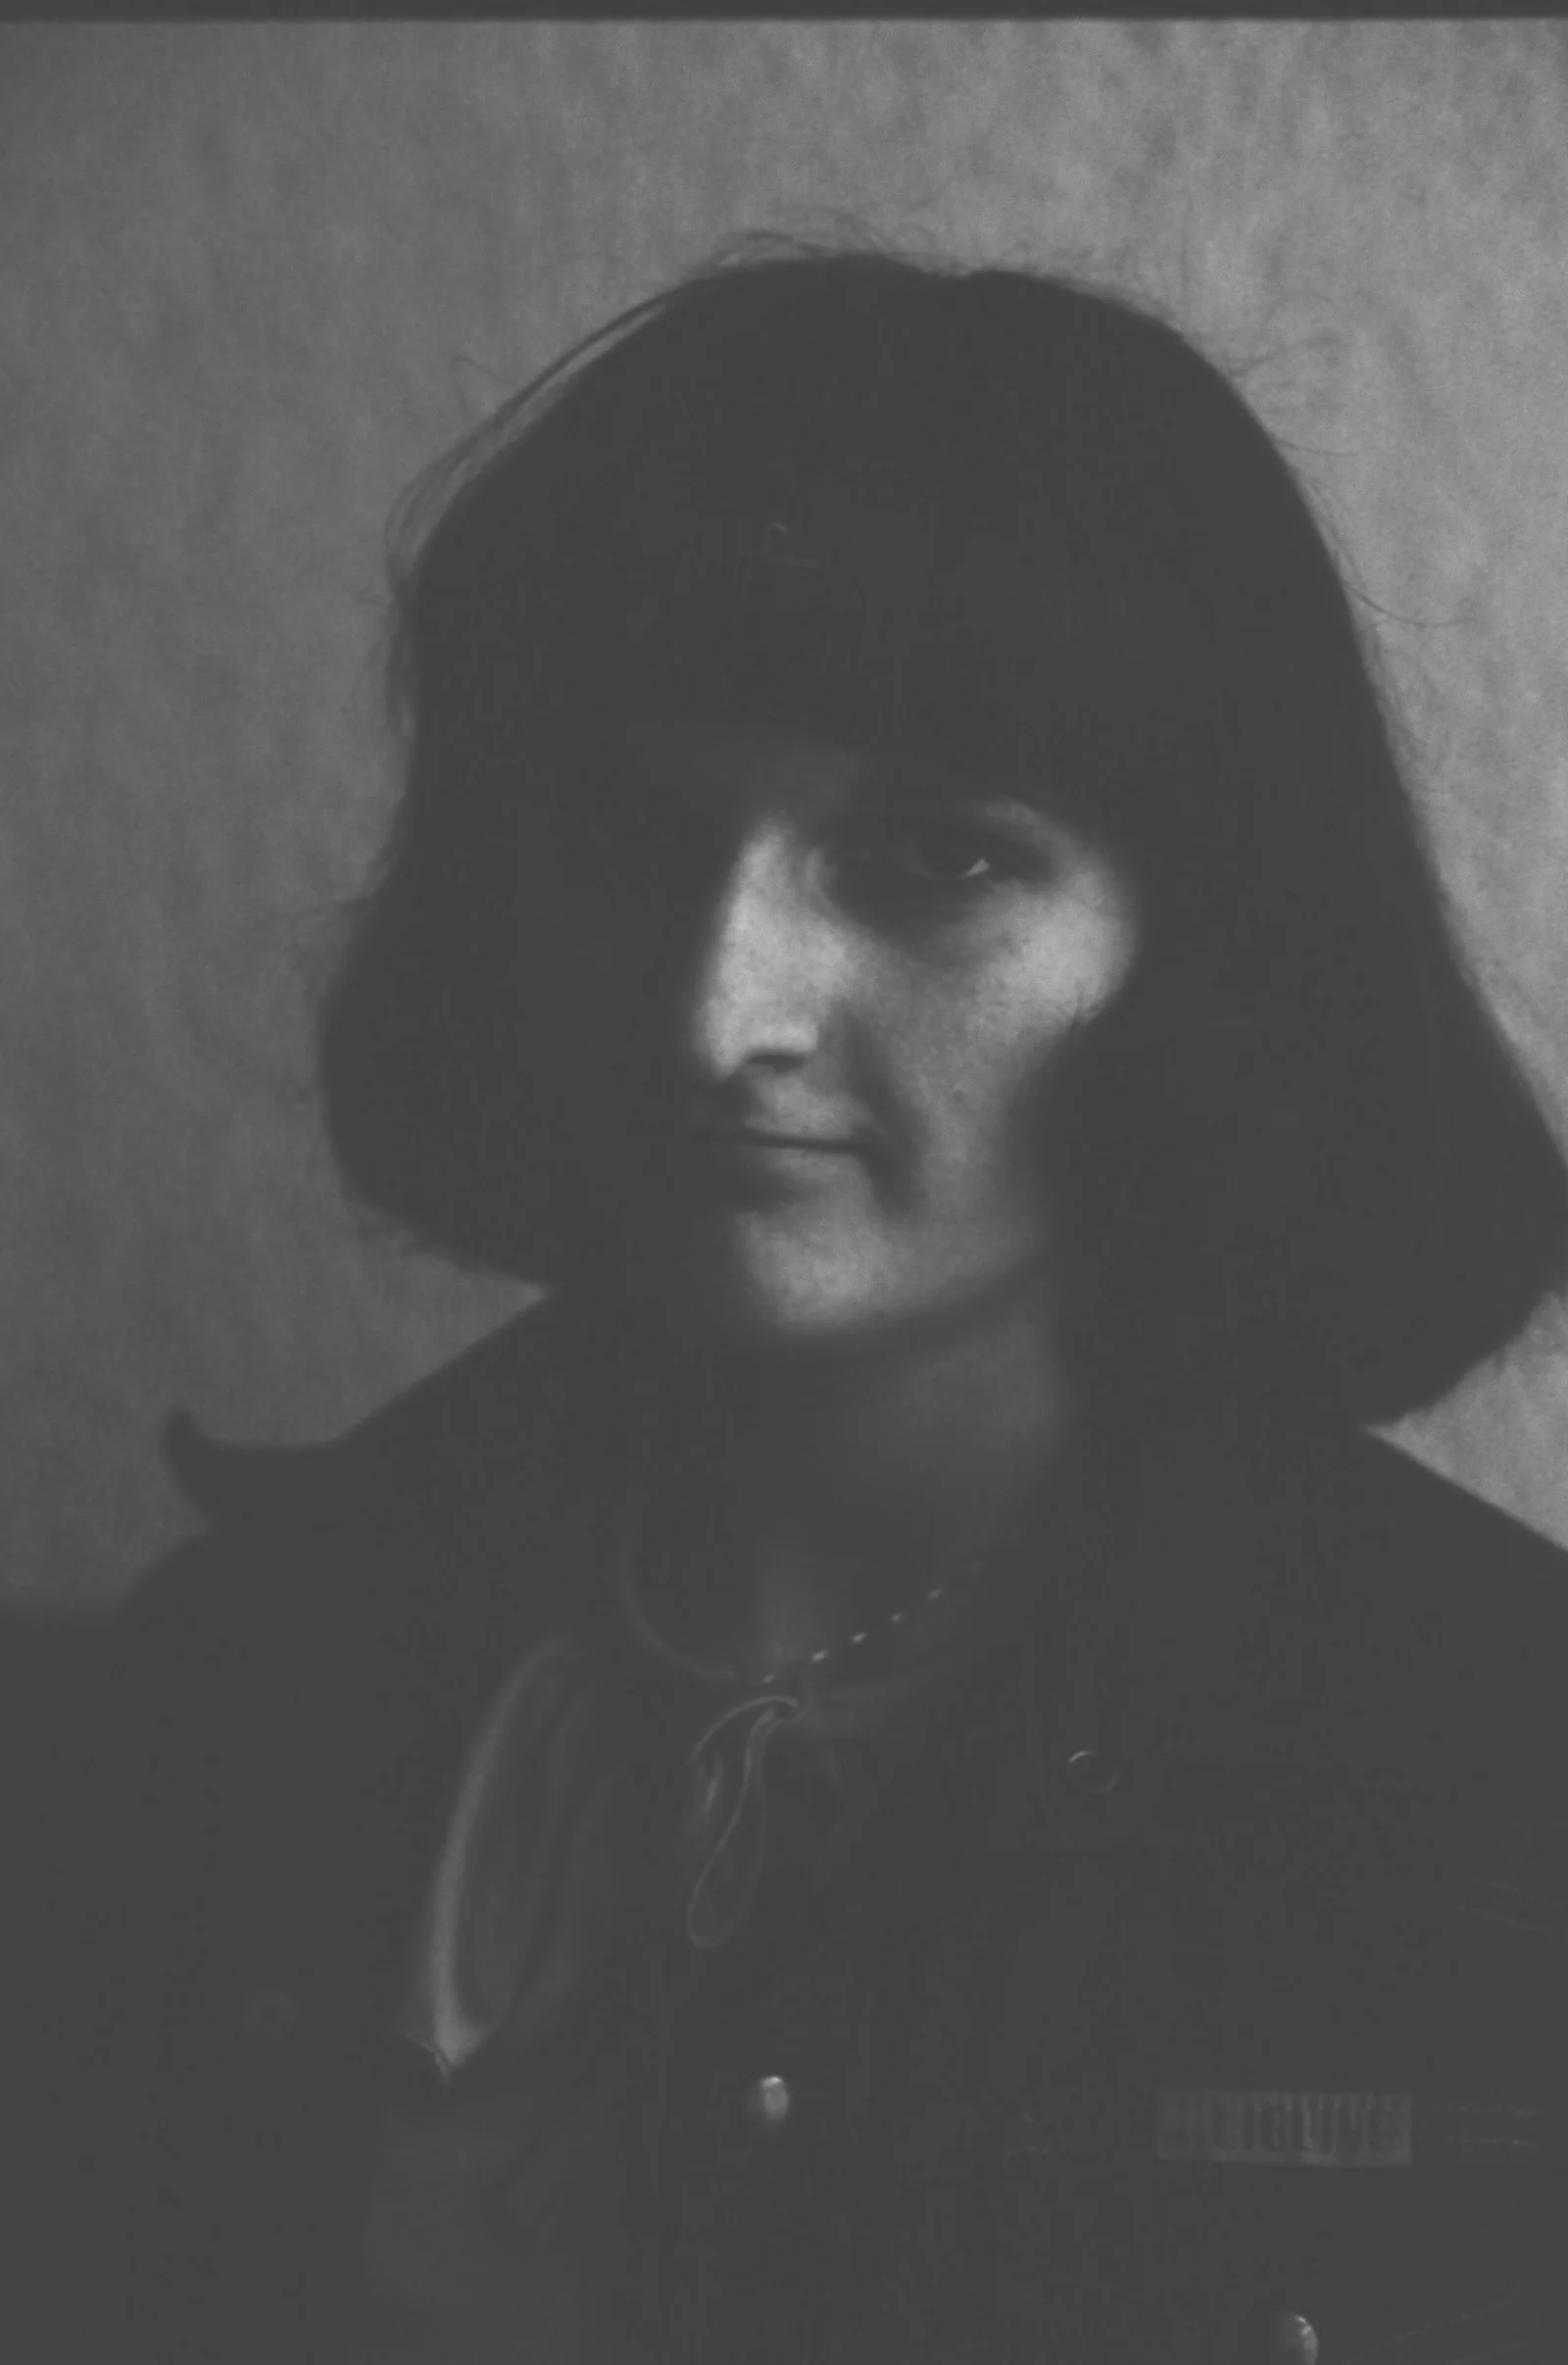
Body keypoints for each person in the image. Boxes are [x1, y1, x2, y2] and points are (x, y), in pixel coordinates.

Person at [24, 233, 1568, 2365]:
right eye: (638, 839)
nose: (717, 1008)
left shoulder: (1485, 1760)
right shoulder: (242, 1677)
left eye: (929, 860)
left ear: (1201, 946)